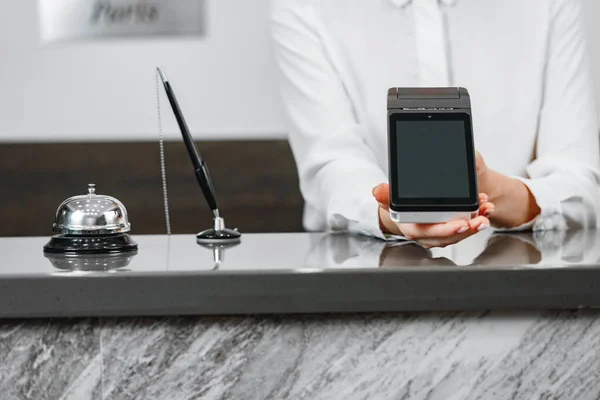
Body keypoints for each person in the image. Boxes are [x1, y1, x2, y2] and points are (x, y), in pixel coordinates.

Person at [270, 0, 600, 248]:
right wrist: (392, 216)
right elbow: (333, 167)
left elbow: (578, 182)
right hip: (363, 285)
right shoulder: (304, 6)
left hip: (525, 286)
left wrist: (488, 187)